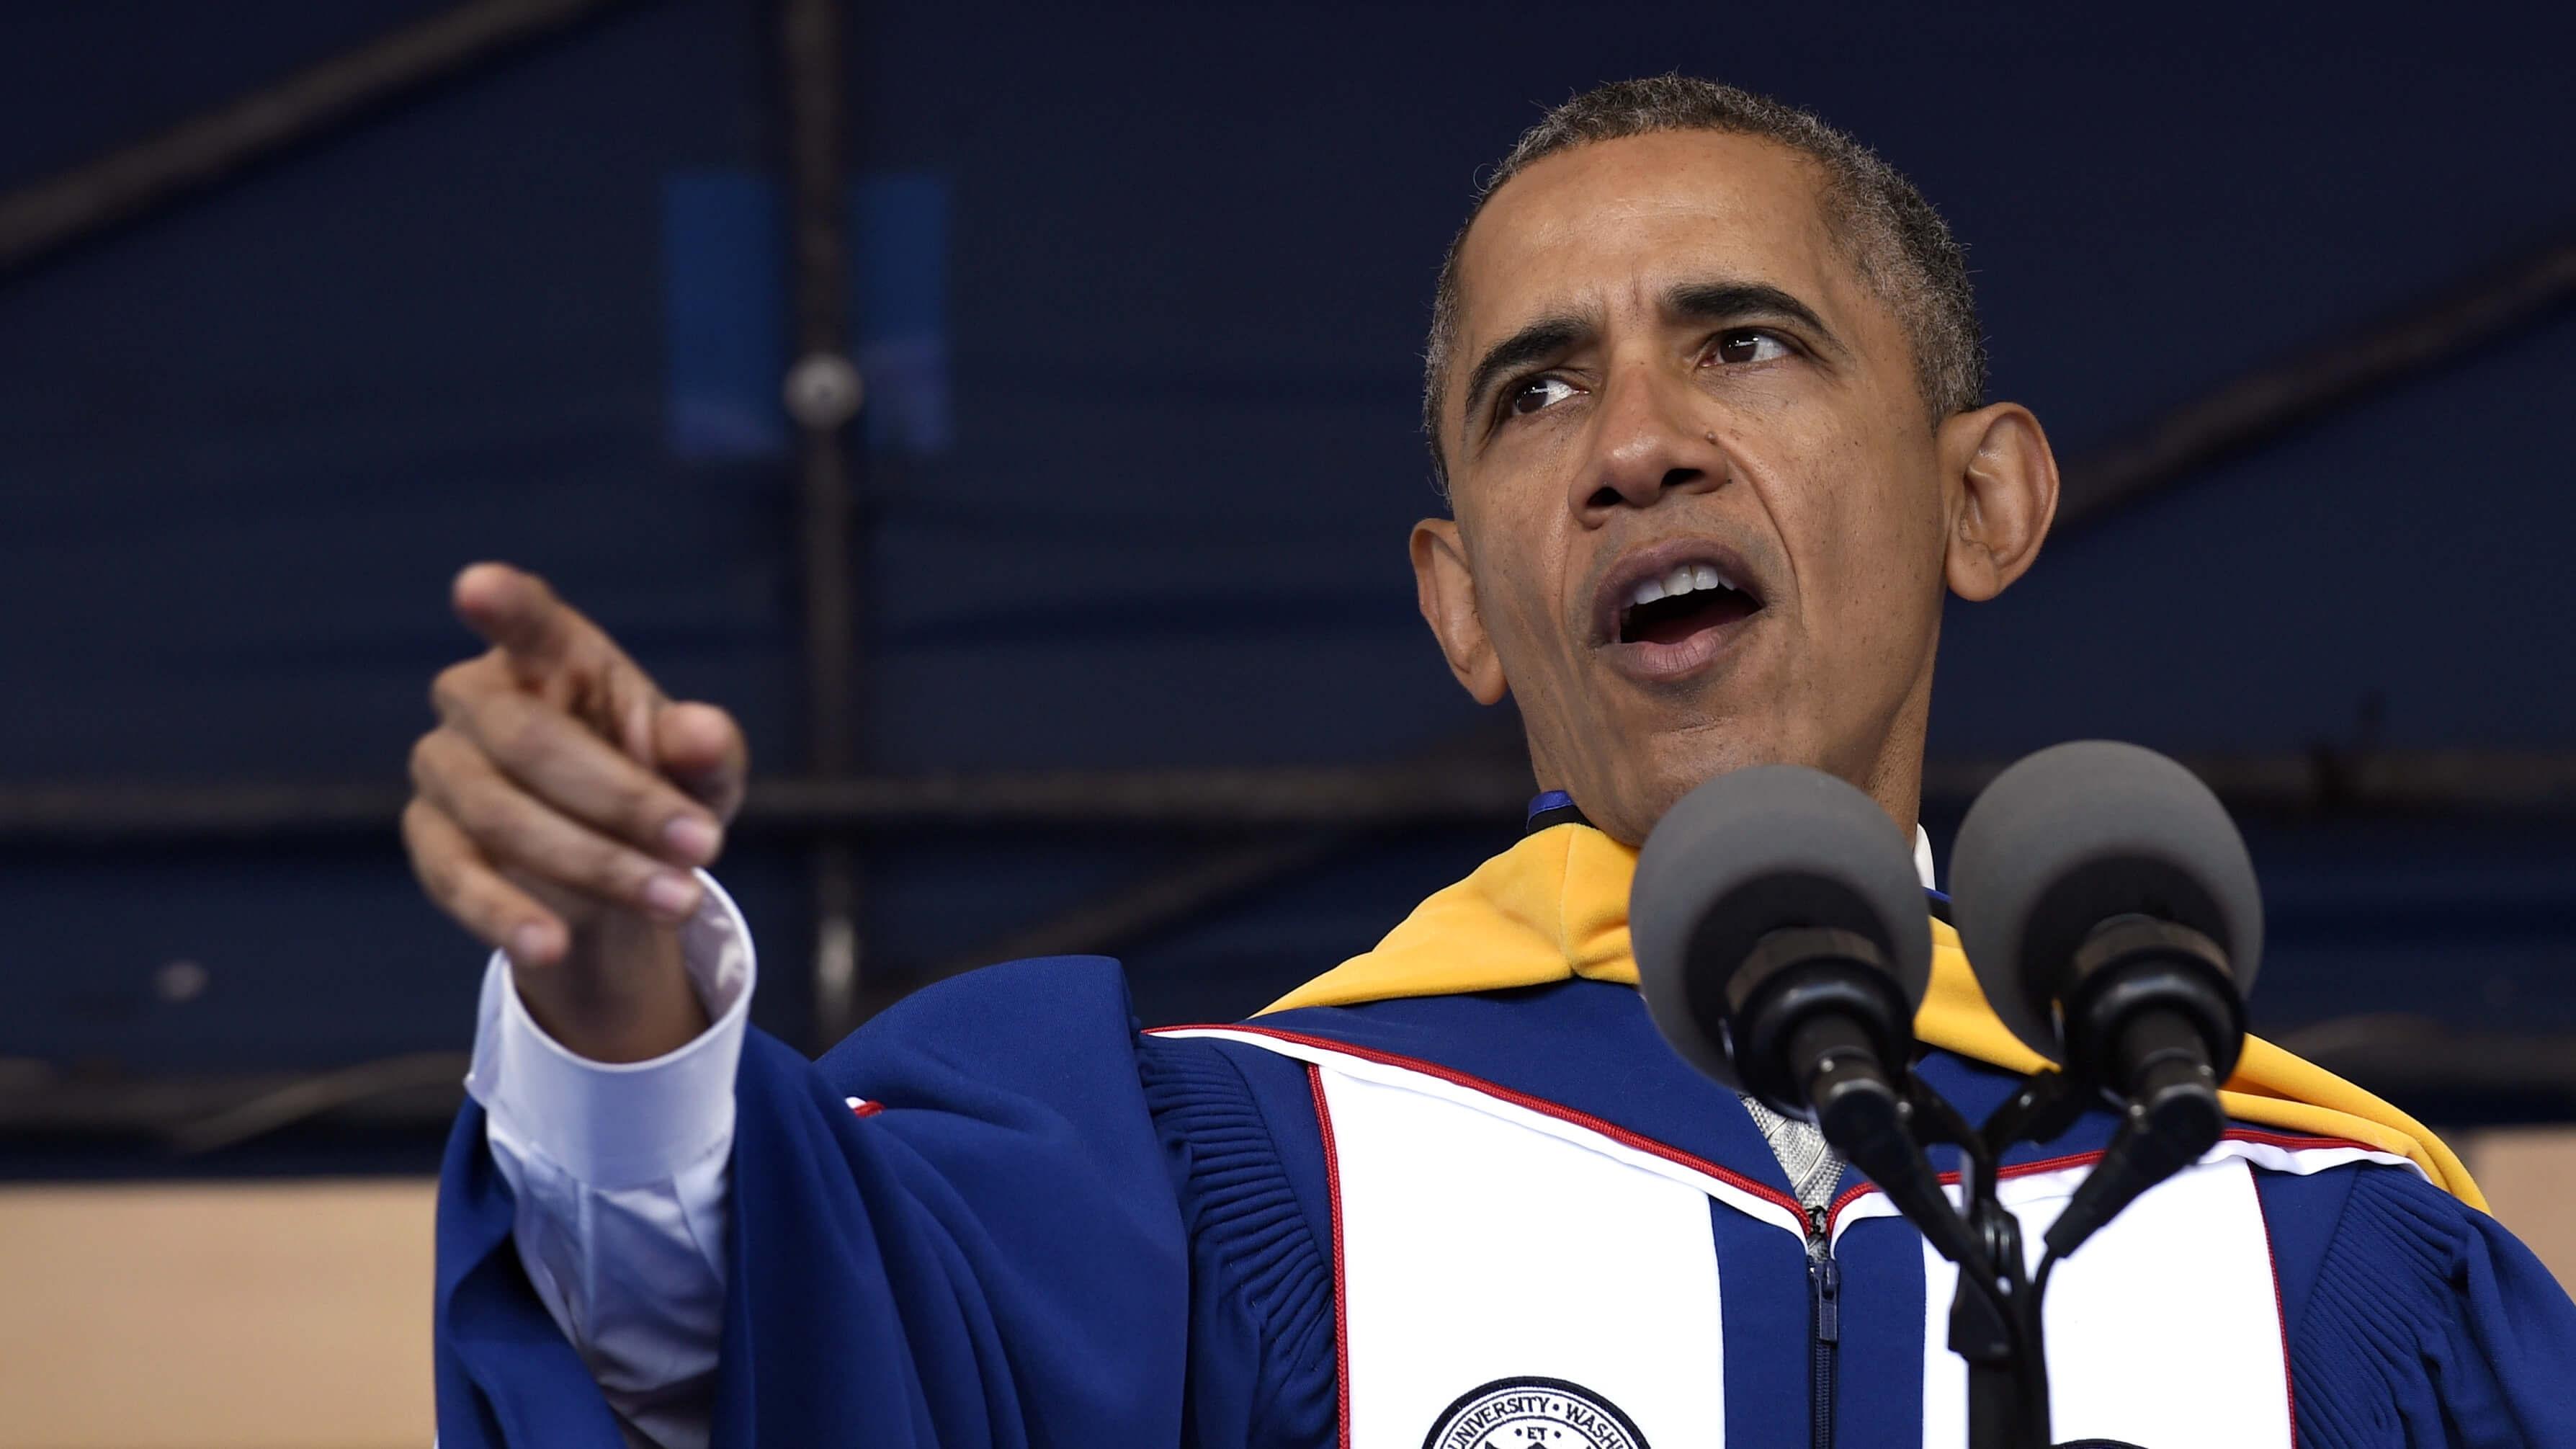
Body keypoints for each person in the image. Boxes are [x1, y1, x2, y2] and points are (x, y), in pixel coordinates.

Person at [415, 77, 2576, 1448]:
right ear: (1462, 601)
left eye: (1744, 341)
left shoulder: (2329, 1252)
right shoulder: (1219, 1176)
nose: (1636, 443)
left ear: (1984, 501)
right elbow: (737, 1341)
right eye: (1539, 391)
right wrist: (613, 981)